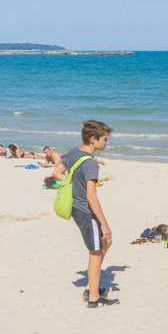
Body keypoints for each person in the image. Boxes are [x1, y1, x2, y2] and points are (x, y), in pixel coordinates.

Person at [52, 120, 118, 308]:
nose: (106, 143)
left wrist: (74, 187)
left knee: (106, 242)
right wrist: (104, 223)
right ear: (93, 139)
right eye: (104, 139)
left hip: (76, 208)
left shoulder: (74, 152)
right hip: (85, 211)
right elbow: (91, 197)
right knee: (95, 252)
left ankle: (93, 285)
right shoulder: (90, 164)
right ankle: (94, 297)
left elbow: (57, 173)